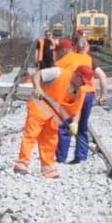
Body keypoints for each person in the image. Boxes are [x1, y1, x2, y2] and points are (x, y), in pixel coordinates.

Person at [13, 38, 83, 177]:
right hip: (38, 108)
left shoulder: (78, 89)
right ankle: (22, 163)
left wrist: (74, 123)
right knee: (31, 135)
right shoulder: (58, 72)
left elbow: (76, 108)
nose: (83, 84)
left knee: (50, 140)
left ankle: (48, 168)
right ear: (77, 75)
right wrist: (37, 87)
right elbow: (37, 74)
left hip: (52, 115)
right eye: (82, 81)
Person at [54, 30, 108, 165]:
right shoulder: (89, 59)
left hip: (72, 93)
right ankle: (81, 156)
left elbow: (55, 74)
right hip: (88, 94)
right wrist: (103, 95)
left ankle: (61, 157)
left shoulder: (65, 59)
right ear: (86, 47)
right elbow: (102, 76)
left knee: (64, 124)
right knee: (82, 126)